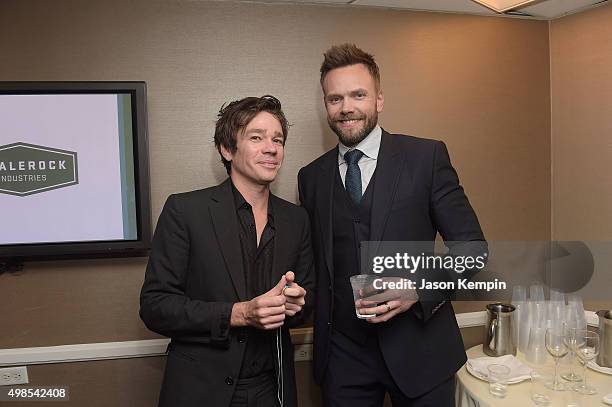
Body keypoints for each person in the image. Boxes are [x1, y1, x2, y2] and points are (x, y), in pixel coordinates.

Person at [298, 44, 487, 406]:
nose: (346, 107)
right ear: (326, 105)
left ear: (379, 100)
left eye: (358, 95)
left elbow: (473, 249)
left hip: (422, 351)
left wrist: (416, 288)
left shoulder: (426, 157)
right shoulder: (311, 178)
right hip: (343, 360)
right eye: (335, 98)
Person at [140, 95, 314, 407]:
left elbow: (309, 300)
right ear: (227, 149)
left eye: (278, 139)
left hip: (273, 389)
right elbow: (155, 306)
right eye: (256, 137)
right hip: (201, 390)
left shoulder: (297, 219)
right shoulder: (185, 211)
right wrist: (239, 313)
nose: (272, 148)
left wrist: (298, 304)